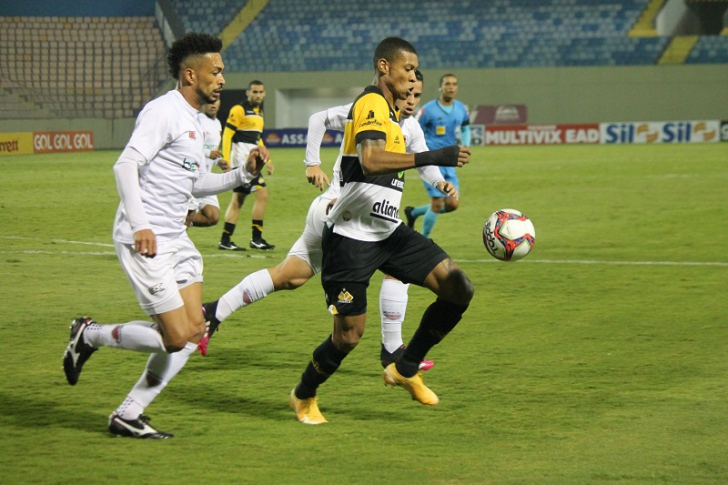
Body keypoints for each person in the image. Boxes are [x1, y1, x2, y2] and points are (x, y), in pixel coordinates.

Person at [61, 32, 268, 439]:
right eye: (216, 72)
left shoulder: (196, 121)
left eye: (223, 71)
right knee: (175, 337)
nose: (223, 79)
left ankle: (129, 413)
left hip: (176, 238)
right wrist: (141, 224)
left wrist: (245, 173)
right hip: (147, 238)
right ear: (191, 74)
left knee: (195, 332)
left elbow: (198, 182)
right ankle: (90, 334)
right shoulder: (163, 111)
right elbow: (125, 166)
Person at [198, 70, 456, 373]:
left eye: (416, 94)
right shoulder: (366, 109)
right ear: (395, 84)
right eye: (407, 91)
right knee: (399, 269)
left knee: (288, 276)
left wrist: (439, 184)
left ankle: (212, 312)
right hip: (340, 212)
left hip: (351, 214)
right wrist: (312, 163)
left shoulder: (410, 127)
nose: (411, 99)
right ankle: (391, 351)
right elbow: (318, 119)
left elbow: (423, 159)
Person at [289, 37, 473, 425]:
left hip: (389, 232)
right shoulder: (370, 102)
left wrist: (436, 174)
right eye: (407, 69)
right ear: (385, 67)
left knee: (457, 287)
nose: (412, 77)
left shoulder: (397, 117)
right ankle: (304, 395)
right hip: (351, 237)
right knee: (348, 337)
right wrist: (435, 156)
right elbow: (371, 161)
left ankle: (405, 366)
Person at [404, 73, 471, 238]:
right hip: (431, 160)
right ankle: (424, 241)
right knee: (437, 203)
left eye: (454, 84)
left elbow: (465, 127)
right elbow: (413, 128)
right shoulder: (428, 110)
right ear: (440, 87)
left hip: (449, 161)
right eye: (447, 84)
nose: (451, 87)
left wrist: (466, 145)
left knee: (452, 204)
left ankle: (413, 213)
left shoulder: (461, 108)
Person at [218, 80, 275, 251]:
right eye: (254, 92)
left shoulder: (259, 113)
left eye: (260, 92)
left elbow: (257, 139)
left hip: (253, 161)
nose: (258, 95)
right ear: (247, 93)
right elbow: (227, 135)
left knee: (247, 198)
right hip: (242, 162)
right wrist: (226, 159)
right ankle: (247, 240)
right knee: (252, 197)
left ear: (264, 93)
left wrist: (268, 161)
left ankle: (231, 240)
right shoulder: (239, 109)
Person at [186, 98, 230, 228]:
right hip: (192, 177)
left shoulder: (218, 124)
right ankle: (179, 224)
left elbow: (213, 150)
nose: (213, 104)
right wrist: (207, 153)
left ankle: (178, 220)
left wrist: (219, 161)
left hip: (206, 178)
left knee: (212, 217)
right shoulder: (197, 120)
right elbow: (189, 145)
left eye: (216, 101)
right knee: (186, 217)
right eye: (210, 102)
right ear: (204, 103)